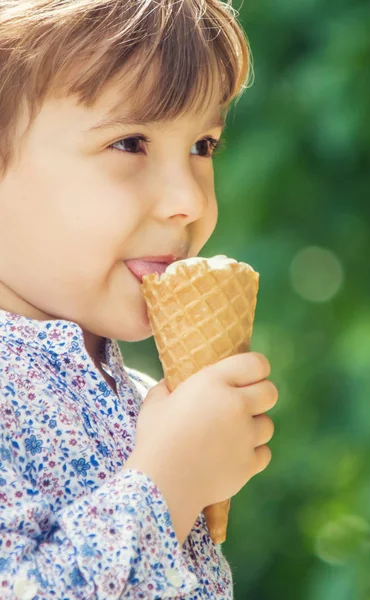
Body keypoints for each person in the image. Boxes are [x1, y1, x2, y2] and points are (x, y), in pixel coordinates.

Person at [0, 0, 279, 598]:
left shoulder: (141, 395)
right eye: (130, 143)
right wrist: (170, 481)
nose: (191, 202)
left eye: (203, 146)